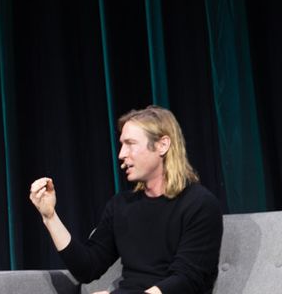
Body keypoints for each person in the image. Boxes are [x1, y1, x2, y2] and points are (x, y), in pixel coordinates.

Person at [27, 106, 223, 294]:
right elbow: (87, 268)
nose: (121, 154)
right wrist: (50, 217)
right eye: (122, 145)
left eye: (130, 144)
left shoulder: (199, 204)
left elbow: (186, 281)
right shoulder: (121, 205)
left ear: (162, 145)